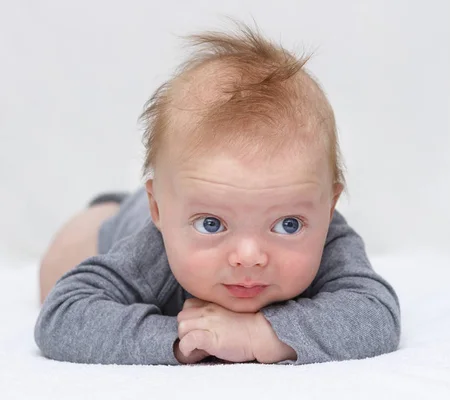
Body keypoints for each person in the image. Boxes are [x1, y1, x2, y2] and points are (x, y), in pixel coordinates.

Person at [35, 23, 400, 365]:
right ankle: (108, 207)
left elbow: (375, 314)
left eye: (288, 225)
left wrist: (260, 335)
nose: (248, 257)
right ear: (159, 209)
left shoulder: (330, 239)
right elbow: (61, 315)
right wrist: (184, 339)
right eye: (211, 224)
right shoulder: (153, 249)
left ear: (329, 205)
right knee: (56, 269)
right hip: (122, 221)